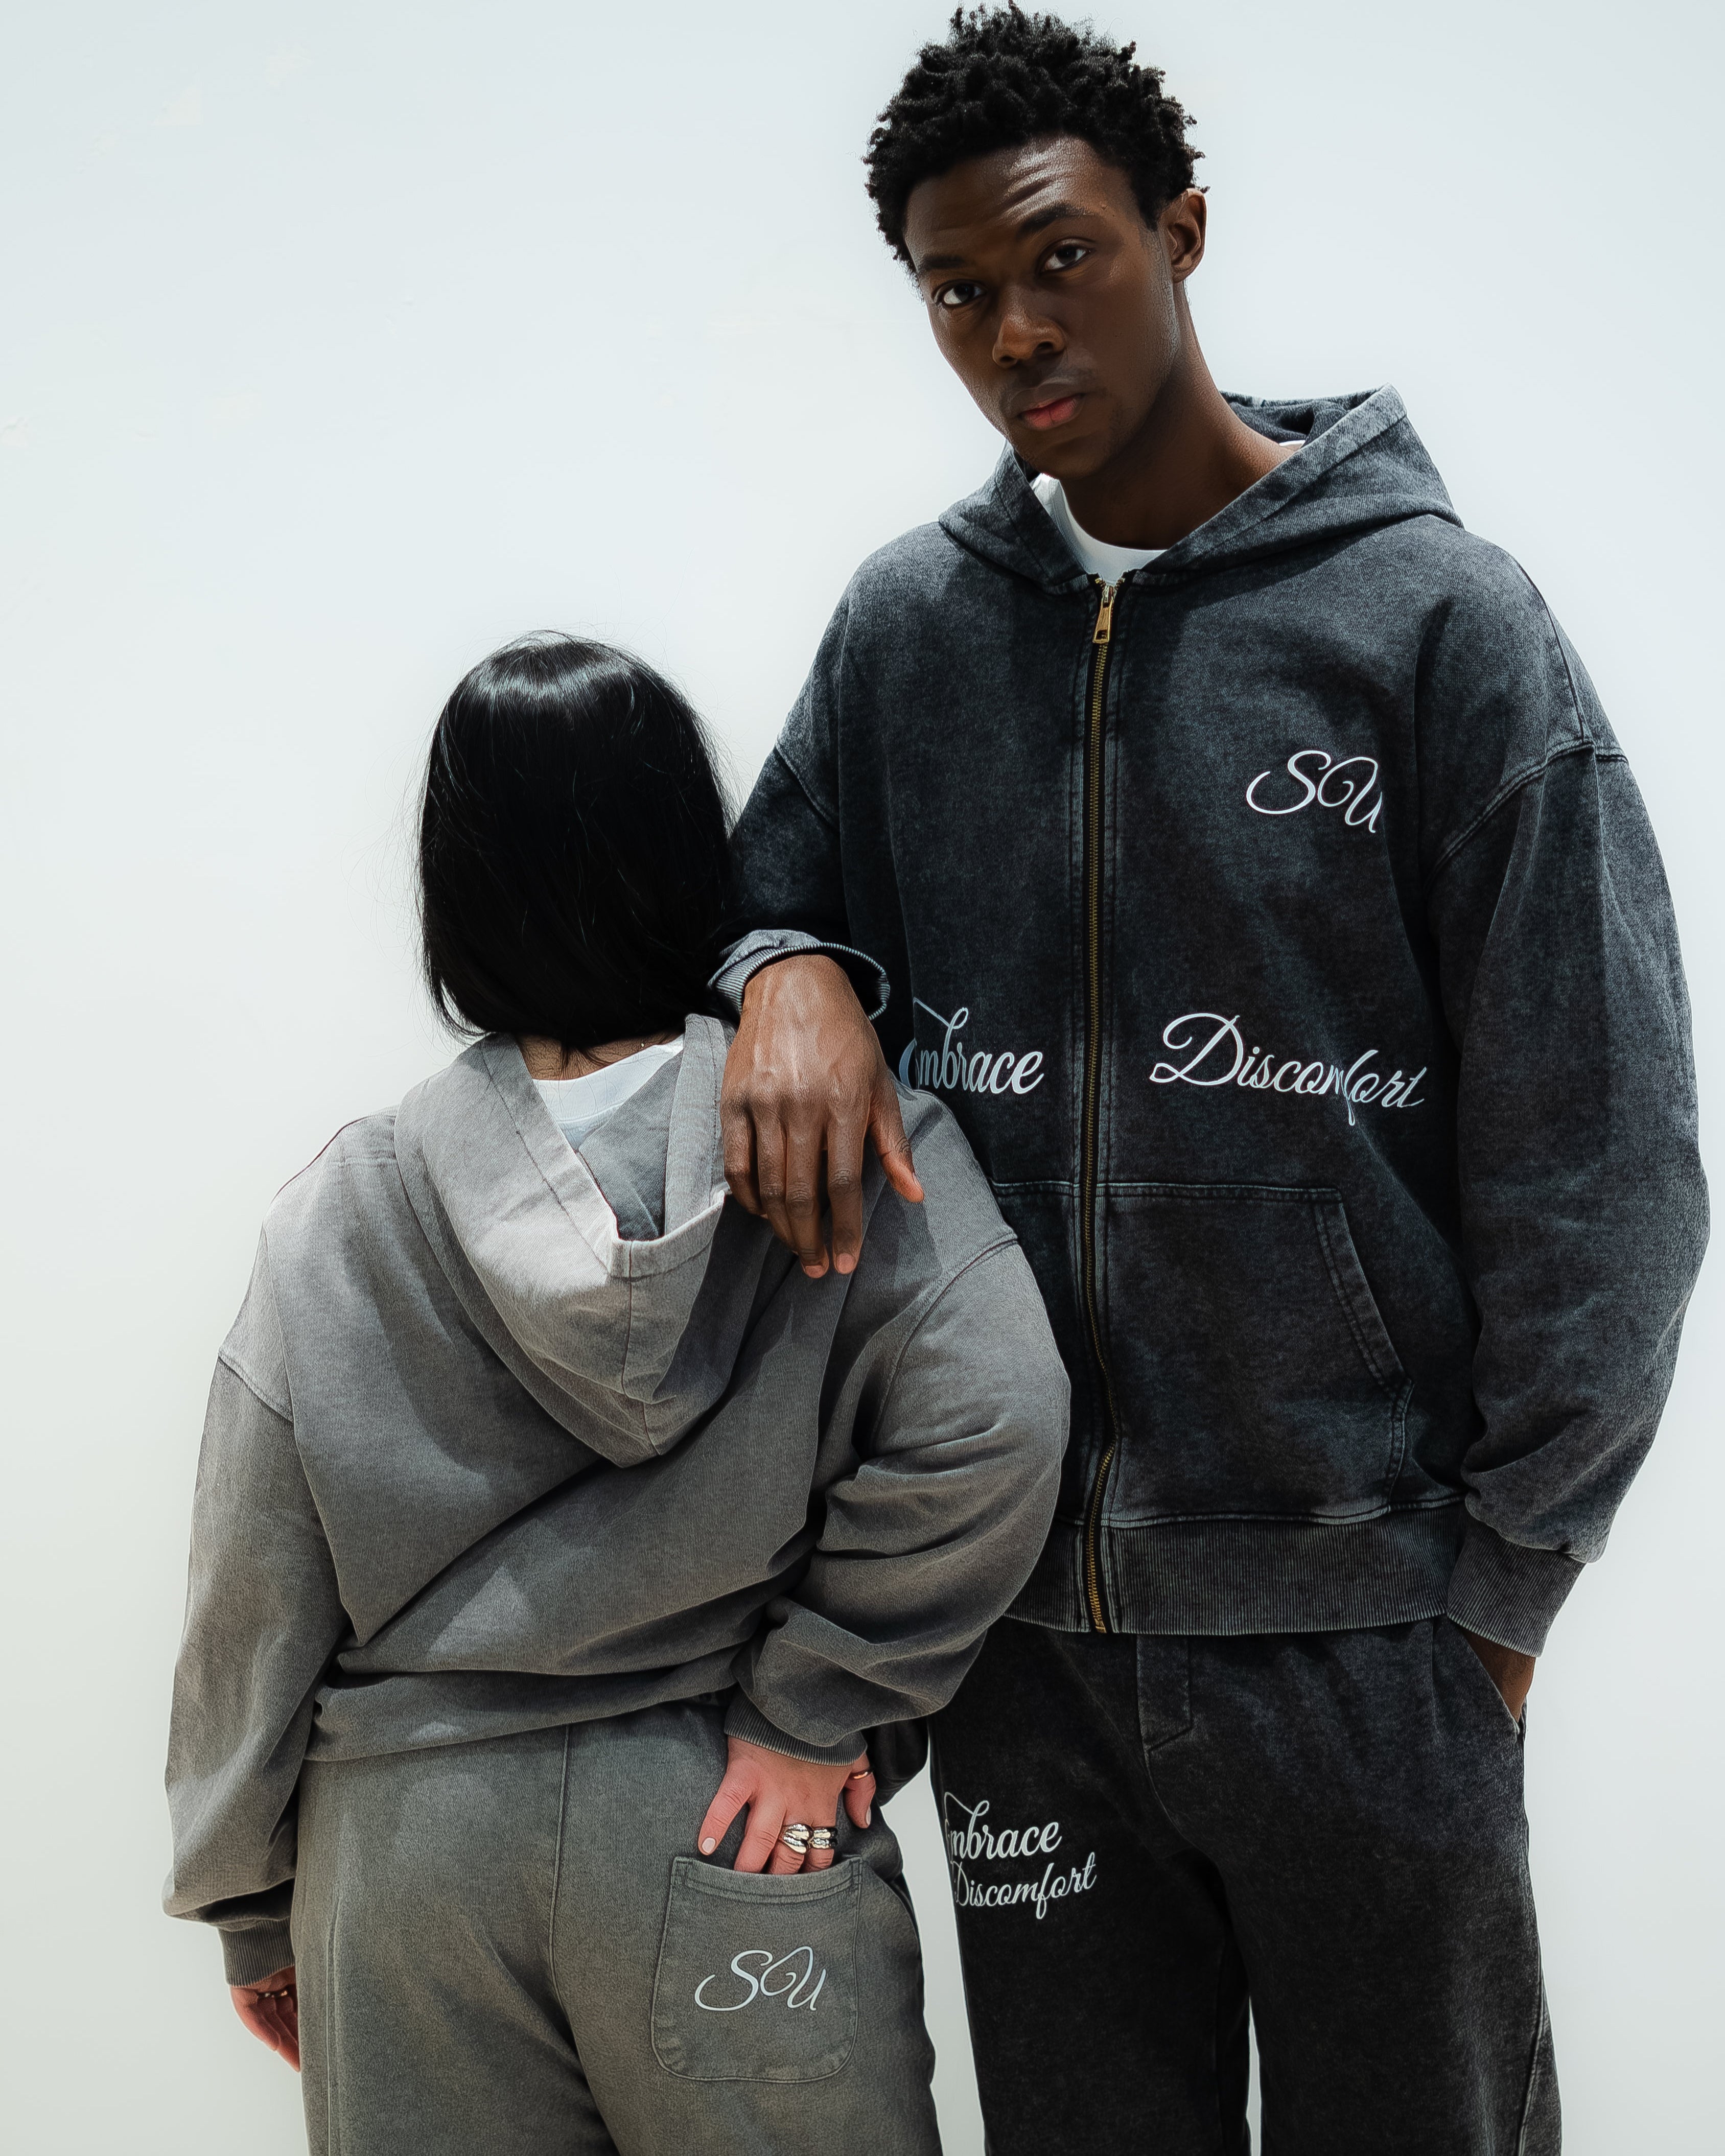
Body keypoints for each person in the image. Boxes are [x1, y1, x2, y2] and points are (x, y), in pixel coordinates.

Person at [714, 11, 1709, 2154]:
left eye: (1058, 258)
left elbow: (1605, 1143)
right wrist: (782, 961)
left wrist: (1495, 1590)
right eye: (956, 292)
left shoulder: (1436, 626)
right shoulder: (907, 636)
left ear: (1179, 230)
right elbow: (758, 896)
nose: (1012, 331)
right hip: (1020, 1652)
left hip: (1367, 1630)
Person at [163, 633, 1068, 2155]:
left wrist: (250, 1895)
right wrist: (818, 1701)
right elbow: (1002, 1417)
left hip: (409, 1855)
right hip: (734, 1818)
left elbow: (252, 1577)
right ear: (692, 853)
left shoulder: (345, 1208)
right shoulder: (854, 1137)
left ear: (453, 888)